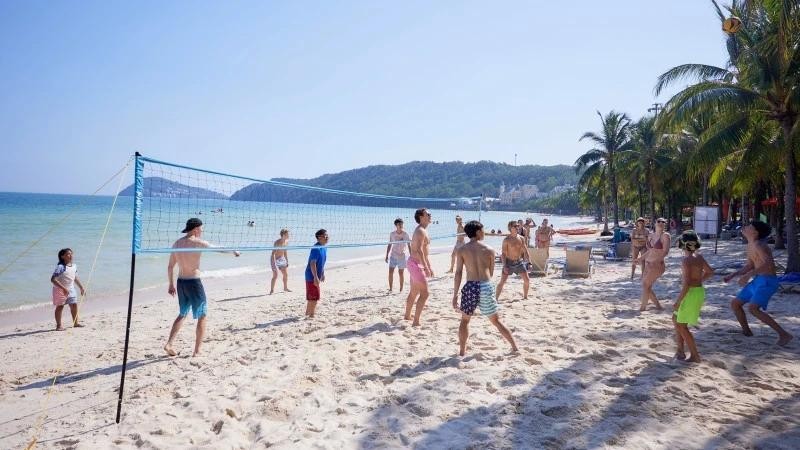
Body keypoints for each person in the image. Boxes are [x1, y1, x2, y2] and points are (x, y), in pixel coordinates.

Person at [165, 218, 240, 357]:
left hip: (181, 282)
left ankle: (169, 343)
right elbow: (218, 249)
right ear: (195, 229)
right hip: (194, 283)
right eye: (201, 228)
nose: (202, 231)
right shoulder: (197, 243)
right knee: (203, 315)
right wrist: (233, 251)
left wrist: (170, 284)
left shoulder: (176, 243)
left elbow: (170, 266)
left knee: (182, 314)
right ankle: (197, 351)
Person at [452, 220, 518, 356]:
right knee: (496, 321)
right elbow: (491, 272)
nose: (484, 232)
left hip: (471, 285)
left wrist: (455, 294)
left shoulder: (462, 250)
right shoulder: (489, 249)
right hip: (486, 284)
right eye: (482, 230)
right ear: (477, 232)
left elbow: (458, 273)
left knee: (465, 320)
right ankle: (514, 347)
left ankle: (462, 351)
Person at [724, 221, 793, 346]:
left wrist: (748, 276)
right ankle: (747, 331)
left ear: (755, 232)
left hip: (767, 281)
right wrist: (733, 275)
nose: (745, 227)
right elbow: (750, 265)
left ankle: (784, 335)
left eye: (749, 226)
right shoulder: (750, 245)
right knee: (735, 304)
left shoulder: (760, 245)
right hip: (758, 280)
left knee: (753, 309)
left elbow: (768, 264)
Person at [672, 230, 713, 363]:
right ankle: (680, 351)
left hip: (690, 293)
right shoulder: (699, 257)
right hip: (698, 291)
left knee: (681, 325)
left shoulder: (686, 260)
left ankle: (695, 356)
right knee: (675, 319)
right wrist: (699, 280)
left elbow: (687, 284)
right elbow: (709, 272)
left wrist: (678, 301)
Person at [404, 208, 434, 326]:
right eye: (428, 214)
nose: (430, 215)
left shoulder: (423, 230)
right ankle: (416, 321)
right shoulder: (421, 230)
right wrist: (426, 267)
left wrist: (429, 266)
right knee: (425, 293)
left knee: (414, 291)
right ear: (421, 217)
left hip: (415, 263)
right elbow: (420, 251)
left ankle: (407, 315)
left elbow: (425, 251)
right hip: (416, 264)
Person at [636, 217, 670, 311]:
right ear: (655, 223)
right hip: (648, 263)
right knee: (647, 286)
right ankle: (658, 306)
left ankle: (642, 308)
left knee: (645, 284)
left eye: (663, 222)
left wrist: (655, 261)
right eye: (658, 221)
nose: (660, 223)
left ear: (665, 225)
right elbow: (650, 251)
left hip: (657, 265)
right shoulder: (651, 235)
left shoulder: (665, 236)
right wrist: (640, 258)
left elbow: (665, 252)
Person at [50, 248, 86, 330]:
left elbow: (75, 277)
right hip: (59, 290)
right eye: (68, 254)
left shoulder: (74, 266)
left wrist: (81, 287)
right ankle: (59, 326)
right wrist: (64, 288)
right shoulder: (60, 267)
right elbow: (53, 279)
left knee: (74, 305)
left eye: (71, 254)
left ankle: (75, 323)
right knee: (60, 307)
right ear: (62, 256)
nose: (71, 256)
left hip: (71, 288)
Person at [495, 221, 531, 300]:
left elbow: (525, 251)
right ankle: (496, 299)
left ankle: (525, 297)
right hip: (508, 263)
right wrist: (504, 266)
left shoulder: (521, 238)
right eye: (515, 226)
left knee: (527, 280)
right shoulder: (506, 240)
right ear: (510, 228)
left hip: (519, 262)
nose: (517, 227)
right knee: (502, 282)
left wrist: (529, 262)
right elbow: (503, 254)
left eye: (518, 226)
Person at [305, 229, 329, 318]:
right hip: (311, 275)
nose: (327, 237)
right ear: (319, 238)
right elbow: (312, 263)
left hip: (316, 275)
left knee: (312, 296)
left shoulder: (324, 247)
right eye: (325, 236)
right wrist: (315, 277)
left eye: (327, 236)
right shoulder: (316, 248)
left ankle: (307, 313)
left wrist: (322, 273)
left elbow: (322, 262)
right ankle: (311, 315)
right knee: (314, 297)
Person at [385, 218, 411, 292]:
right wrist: (387, 255)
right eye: (399, 224)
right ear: (396, 225)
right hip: (393, 255)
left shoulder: (405, 234)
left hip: (401, 256)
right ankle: (390, 289)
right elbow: (389, 245)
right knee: (390, 272)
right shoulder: (392, 234)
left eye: (402, 224)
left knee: (401, 273)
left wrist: (411, 256)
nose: (401, 225)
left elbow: (409, 245)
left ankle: (401, 289)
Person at [269, 229, 291, 295]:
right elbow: (273, 254)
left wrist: (287, 261)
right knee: (275, 275)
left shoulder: (286, 241)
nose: (289, 235)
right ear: (283, 235)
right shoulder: (277, 243)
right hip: (275, 259)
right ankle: (272, 290)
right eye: (287, 234)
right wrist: (274, 264)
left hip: (282, 258)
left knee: (286, 274)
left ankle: (285, 288)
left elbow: (285, 252)